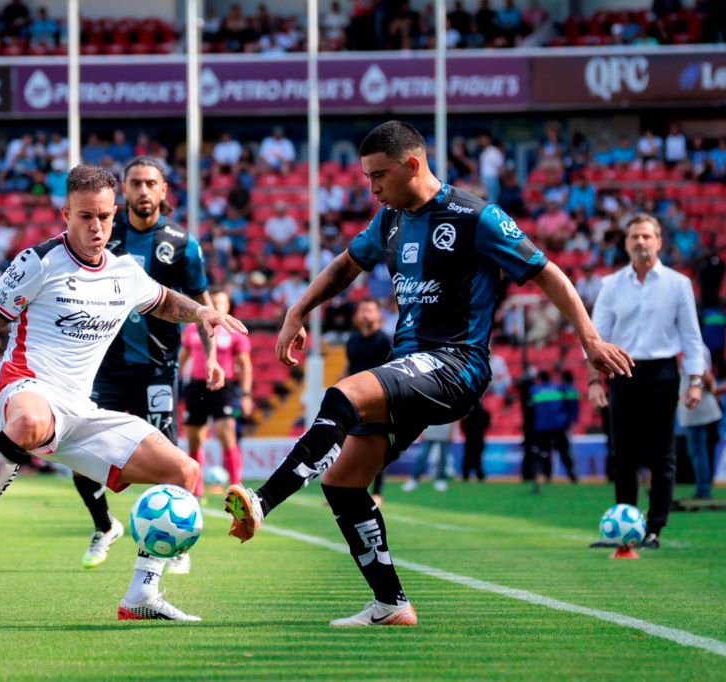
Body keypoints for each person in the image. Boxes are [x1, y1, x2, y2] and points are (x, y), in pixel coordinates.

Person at [224, 120, 631, 626]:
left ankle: (263, 501)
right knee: (345, 483)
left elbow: (546, 270)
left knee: (343, 395)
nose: (372, 189)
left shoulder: (474, 216)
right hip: (410, 364)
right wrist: (297, 310)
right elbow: (346, 266)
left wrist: (589, 339)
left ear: (412, 165)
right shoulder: (390, 221)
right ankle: (391, 605)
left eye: (378, 176)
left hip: (457, 363)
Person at [0, 164, 245, 622]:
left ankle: (140, 595)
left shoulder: (124, 272)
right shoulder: (38, 262)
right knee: (31, 422)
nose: (96, 228)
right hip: (27, 389)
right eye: (85, 217)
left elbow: (164, 300)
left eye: (105, 217)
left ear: (115, 213)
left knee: (185, 471)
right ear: (65, 215)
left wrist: (203, 314)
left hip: (82, 411)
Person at [71, 156, 221, 573]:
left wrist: (211, 357)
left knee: (169, 457)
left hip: (158, 367)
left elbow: (201, 305)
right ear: (124, 190)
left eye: (149, 183)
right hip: (105, 366)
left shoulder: (182, 243)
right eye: (134, 182)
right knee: (81, 453)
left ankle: (177, 543)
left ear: (163, 191)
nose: (141, 190)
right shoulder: (103, 236)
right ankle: (104, 525)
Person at [589, 213, 705, 550]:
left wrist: (695, 380)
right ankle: (625, 527)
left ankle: (654, 528)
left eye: (646, 236)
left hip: (662, 374)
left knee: (661, 455)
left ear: (659, 241)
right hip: (622, 372)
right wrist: (595, 383)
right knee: (622, 454)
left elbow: (691, 337)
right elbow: (596, 338)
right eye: (634, 237)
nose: (640, 242)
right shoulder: (610, 284)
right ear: (625, 244)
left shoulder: (678, 284)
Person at [179, 290, 253, 499]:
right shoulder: (194, 329)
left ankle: (236, 487)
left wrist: (246, 394)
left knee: (226, 434)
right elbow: (182, 358)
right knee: (194, 439)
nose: (219, 306)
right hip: (195, 386)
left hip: (223, 388)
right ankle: (196, 489)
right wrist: (175, 384)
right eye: (216, 302)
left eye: (223, 302)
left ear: (228, 306)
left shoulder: (233, 332)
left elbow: (245, 365)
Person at [344, 297, 392, 504]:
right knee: (351, 445)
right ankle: (347, 488)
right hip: (354, 399)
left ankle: (378, 492)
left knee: (376, 447)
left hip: (377, 399)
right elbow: (349, 368)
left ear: (378, 315)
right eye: (363, 310)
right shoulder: (352, 340)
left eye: (370, 310)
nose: (366, 314)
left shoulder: (385, 341)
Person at [678, 343, 722, 499]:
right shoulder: (698, 347)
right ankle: (703, 488)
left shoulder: (693, 348)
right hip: (698, 408)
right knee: (699, 450)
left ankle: (703, 490)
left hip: (698, 409)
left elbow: (704, 373)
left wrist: (712, 389)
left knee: (698, 451)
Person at [530, 370, 578, 483]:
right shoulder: (559, 388)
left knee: (545, 453)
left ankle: (547, 476)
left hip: (542, 427)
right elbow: (572, 396)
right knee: (564, 452)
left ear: (539, 379)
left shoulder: (535, 390)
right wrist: (570, 419)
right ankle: (572, 475)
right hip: (558, 425)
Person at [401, 422, 453, 492]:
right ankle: (414, 479)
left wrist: (451, 432)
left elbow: (453, 418)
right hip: (428, 433)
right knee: (422, 457)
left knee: (443, 458)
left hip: (444, 433)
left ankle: (440, 480)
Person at [461, 403, 489, 481]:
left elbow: (463, 427)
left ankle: (466, 475)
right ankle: (479, 475)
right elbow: (486, 425)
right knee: (477, 459)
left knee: (468, 458)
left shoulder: (467, 414)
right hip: (478, 439)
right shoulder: (485, 414)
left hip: (470, 440)